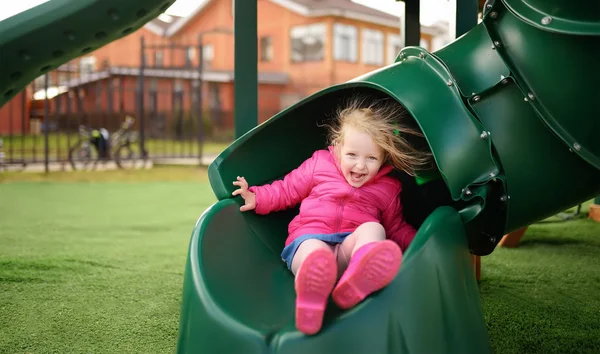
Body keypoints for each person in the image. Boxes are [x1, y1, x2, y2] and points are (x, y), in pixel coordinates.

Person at [232, 96, 432, 335]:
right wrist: (258, 197)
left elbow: (396, 227)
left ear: (383, 159)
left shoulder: (388, 188)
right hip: (309, 238)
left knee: (374, 230)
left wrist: (422, 242)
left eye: (371, 158)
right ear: (338, 147)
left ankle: (359, 275)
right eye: (352, 155)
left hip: (348, 251)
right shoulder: (320, 164)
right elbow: (287, 189)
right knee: (315, 254)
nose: (360, 166)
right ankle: (312, 297)